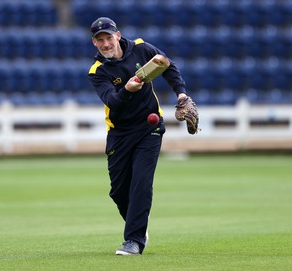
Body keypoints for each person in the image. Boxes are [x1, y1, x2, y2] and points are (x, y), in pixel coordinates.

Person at [87, 17, 192, 255]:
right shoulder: (97, 71)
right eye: (99, 40)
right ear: (94, 43)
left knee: (141, 184)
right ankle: (138, 226)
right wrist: (127, 90)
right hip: (119, 133)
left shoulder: (142, 48)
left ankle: (133, 240)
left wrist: (181, 95)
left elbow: (167, 64)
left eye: (108, 37)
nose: (105, 44)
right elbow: (113, 102)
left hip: (149, 127)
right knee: (118, 191)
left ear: (118, 35)